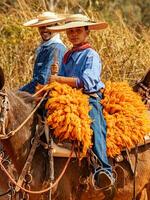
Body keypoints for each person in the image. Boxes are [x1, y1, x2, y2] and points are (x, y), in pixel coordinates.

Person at [47, 14, 115, 191]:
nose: (74, 34)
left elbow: (86, 82)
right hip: (67, 99)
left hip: (88, 97)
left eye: (78, 30)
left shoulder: (91, 55)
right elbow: (60, 79)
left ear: (87, 32)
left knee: (96, 123)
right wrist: (56, 78)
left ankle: (103, 168)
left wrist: (59, 78)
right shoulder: (68, 55)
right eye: (70, 31)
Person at [19, 11, 67, 94]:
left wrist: (19, 93)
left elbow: (44, 80)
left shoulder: (56, 48)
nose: (44, 30)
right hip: (39, 93)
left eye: (49, 26)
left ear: (56, 27)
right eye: (41, 27)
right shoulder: (44, 47)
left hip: (49, 95)